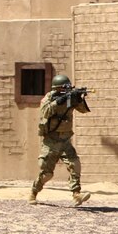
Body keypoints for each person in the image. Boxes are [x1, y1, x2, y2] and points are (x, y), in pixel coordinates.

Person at [29, 74, 92, 207]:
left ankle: (76, 194)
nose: (66, 90)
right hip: (51, 141)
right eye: (64, 88)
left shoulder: (70, 98)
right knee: (46, 174)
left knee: (75, 164)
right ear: (57, 88)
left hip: (65, 140)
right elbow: (45, 112)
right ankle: (34, 192)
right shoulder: (49, 98)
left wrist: (78, 98)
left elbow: (83, 110)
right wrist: (60, 100)